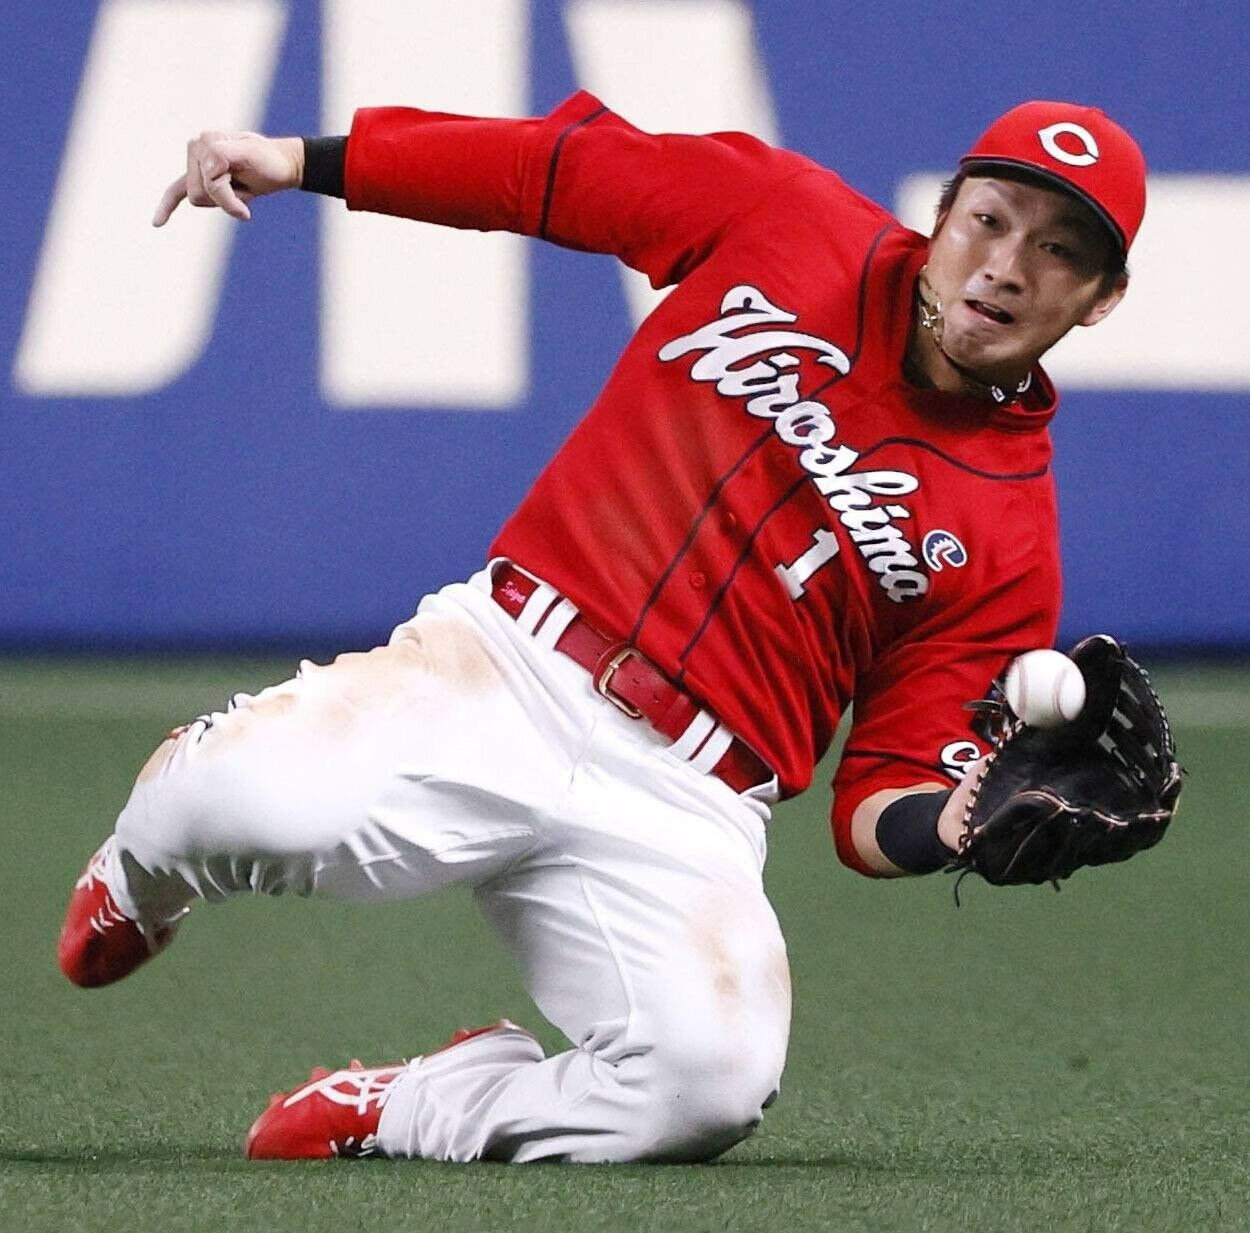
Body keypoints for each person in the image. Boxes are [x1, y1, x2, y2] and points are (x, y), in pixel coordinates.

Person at [57, 93, 1143, 1164]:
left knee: (705, 1090)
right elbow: (552, 171)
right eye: (989, 220)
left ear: (1099, 299)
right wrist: (307, 157)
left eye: (1058, 251)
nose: (1006, 265)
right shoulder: (784, 218)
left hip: (687, 800)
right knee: (235, 801)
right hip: (509, 667)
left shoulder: (1007, 544)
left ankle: (409, 1107)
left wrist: (956, 826)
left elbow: (874, 804)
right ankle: (145, 868)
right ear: (941, 212)